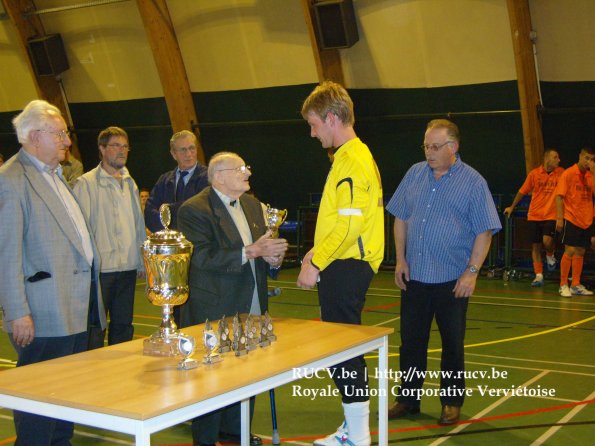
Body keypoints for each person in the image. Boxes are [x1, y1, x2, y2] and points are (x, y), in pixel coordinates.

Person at [0, 99, 106, 444]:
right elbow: (6, 253)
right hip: (43, 310)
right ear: (34, 136)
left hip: (75, 305)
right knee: (38, 400)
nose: (67, 141)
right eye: (59, 134)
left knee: (65, 395)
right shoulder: (11, 180)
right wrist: (17, 312)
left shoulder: (55, 175)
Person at [385, 119, 501, 426]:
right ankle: (408, 398)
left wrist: (471, 272)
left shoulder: (473, 182)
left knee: (452, 344)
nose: (429, 152)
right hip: (414, 277)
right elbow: (400, 218)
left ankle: (451, 402)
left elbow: (484, 231)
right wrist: (400, 259)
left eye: (435, 147)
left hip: (452, 281)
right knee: (411, 342)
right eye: (426, 146)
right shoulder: (414, 174)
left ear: (454, 147)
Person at [177, 152, 287, 446]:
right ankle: (206, 438)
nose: (247, 172)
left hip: (252, 301)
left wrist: (273, 258)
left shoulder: (252, 205)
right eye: (240, 169)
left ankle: (236, 432)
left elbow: (261, 251)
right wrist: (251, 251)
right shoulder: (194, 209)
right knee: (210, 377)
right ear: (219, 176)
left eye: (246, 167)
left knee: (247, 370)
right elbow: (200, 257)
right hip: (214, 305)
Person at [297, 81, 384, 446]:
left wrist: (316, 261)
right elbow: (344, 221)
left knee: (343, 350)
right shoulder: (353, 156)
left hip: (347, 265)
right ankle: (354, 429)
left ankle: (358, 435)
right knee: (342, 348)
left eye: (314, 124)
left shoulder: (351, 161)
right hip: (344, 261)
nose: (313, 133)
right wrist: (315, 251)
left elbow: (349, 227)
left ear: (332, 118)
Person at [73, 126, 146, 348]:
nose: (122, 151)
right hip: (100, 271)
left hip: (127, 269)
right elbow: (79, 230)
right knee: (95, 328)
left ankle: (119, 367)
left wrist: (141, 261)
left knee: (123, 326)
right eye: (115, 146)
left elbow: (138, 224)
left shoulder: (131, 183)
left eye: (125, 146)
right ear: (102, 149)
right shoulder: (85, 183)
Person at [503, 149, 564, 286]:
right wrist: (512, 206)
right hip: (534, 215)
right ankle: (539, 275)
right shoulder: (534, 174)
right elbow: (522, 191)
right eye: (555, 157)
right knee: (535, 246)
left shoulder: (561, 173)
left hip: (551, 215)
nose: (558, 160)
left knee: (547, 241)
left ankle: (550, 254)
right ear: (547, 159)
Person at [144, 130, 208, 232]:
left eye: (192, 148)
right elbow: (149, 214)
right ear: (173, 154)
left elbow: (199, 211)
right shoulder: (164, 180)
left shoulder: (209, 177)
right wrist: (170, 233)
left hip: (197, 240)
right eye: (183, 150)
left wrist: (168, 209)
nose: (189, 154)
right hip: (168, 239)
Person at [554, 147, 594, 297]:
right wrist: (559, 218)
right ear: (580, 156)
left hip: (586, 219)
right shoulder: (569, 173)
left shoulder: (590, 175)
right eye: (586, 158)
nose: (588, 162)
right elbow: (559, 196)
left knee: (580, 251)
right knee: (569, 250)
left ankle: (575, 284)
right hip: (571, 218)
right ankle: (563, 284)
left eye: (592, 159)